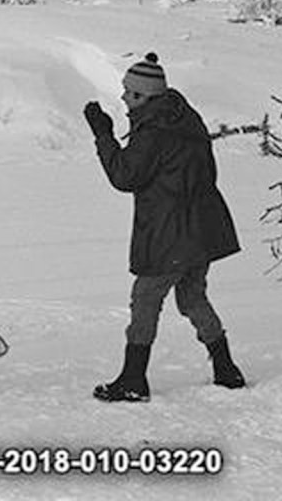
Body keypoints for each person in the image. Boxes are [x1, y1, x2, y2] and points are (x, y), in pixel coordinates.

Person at [83, 52, 246, 403]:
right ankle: (226, 368)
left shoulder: (154, 131)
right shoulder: (183, 117)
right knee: (191, 297)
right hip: (199, 230)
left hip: (170, 232)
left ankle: (133, 380)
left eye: (129, 92)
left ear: (146, 96)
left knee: (145, 298)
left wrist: (103, 135)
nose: (124, 97)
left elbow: (124, 176)